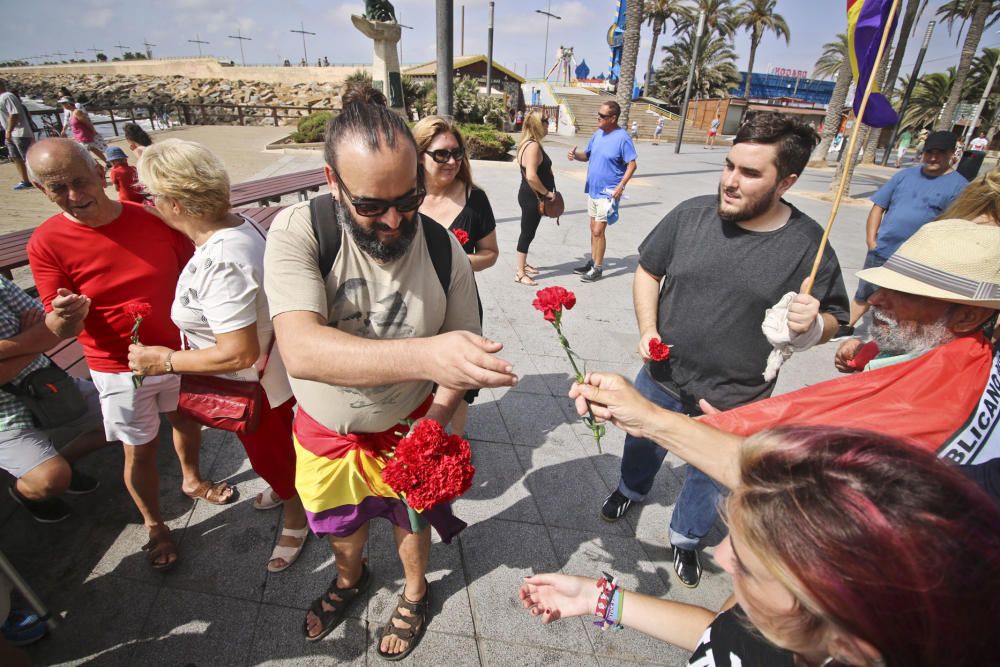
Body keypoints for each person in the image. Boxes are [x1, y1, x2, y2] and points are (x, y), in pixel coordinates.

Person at [262, 86, 517, 658]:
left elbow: (462, 359)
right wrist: (427, 355)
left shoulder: (443, 248)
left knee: (413, 522)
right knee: (339, 524)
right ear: (332, 182)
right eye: (371, 207)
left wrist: (437, 421)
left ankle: (416, 590)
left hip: (411, 425)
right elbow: (301, 350)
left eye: (409, 198)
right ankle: (351, 580)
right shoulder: (299, 231)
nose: (395, 220)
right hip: (326, 431)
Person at [570, 218, 1000, 498]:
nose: (877, 299)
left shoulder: (934, 409)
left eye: (903, 294)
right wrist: (868, 353)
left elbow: (796, 474)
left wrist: (814, 329)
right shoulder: (945, 355)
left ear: (966, 314)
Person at [600, 113, 850, 589]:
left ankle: (686, 538)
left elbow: (837, 318)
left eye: (751, 173)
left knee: (709, 476)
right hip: (662, 375)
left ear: (787, 182)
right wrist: (647, 327)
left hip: (738, 396)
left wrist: (815, 323)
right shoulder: (690, 214)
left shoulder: (808, 245)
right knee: (641, 442)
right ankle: (630, 489)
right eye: (730, 165)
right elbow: (648, 271)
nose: (731, 182)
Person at [521, 426, 1000, 667]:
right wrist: (597, 599)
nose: (723, 557)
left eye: (749, 565)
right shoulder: (798, 625)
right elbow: (726, 637)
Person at [25, 138, 234, 572]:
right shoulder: (46, 242)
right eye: (57, 188)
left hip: (177, 352)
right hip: (116, 367)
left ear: (100, 171)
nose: (75, 196)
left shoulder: (152, 219)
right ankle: (155, 523)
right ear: (40, 189)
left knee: (187, 420)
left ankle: (192, 480)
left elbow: (195, 272)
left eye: (80, 181)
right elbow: (58, 326)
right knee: (137, 449)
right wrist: (66, 318)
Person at [126, 138, 308, 573]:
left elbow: (237, 351)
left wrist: (163, 361)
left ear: (174, 203)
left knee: (271, 456)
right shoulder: (238, 225)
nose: (150, 205)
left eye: (152, 196)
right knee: (280, 450)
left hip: (254, 385)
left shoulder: (222, 260)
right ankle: (289, 491)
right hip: (272, 376)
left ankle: (297, 516)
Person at [412, 115, 499, 437]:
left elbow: (490, 253)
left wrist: (456, 262)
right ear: (419, 155)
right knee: (414, 375)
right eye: (441, 154)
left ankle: (454, 445)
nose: (452, 161)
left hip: (459, 305)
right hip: (412, 303)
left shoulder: (475, 199)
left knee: (459, 378)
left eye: (457, 153)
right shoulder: (405, 194)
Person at [0, 276, 109, 523]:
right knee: (51, 479)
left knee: (126, 419)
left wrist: (39, 336)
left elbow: (56, 327)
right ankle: (25, 493)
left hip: (48, 385)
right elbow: (46, 333)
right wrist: (32, 339)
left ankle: (65, 461)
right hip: (4, 416)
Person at [846, 130, 967, 331]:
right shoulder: (904, 176)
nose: (933, 157)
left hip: (916, 259)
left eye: (940, 153)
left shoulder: (960, 187)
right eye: (929, 152)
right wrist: (871, 241)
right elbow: (878, 207)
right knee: (865, 292)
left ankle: (888, 337)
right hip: (883, 250)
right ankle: (846, 326)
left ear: (952, 154)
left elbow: (953, 228)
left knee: (901, 302)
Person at [567, 100, 638, 282]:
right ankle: (592, 262)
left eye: (602, 116)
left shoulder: (623, 138)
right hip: (593, 189)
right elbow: (587, 155)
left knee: (598, 230)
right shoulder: (598, 134)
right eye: (598, 114)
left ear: (613, 118)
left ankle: (598, 268)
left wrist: (621, 186)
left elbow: (632, 164)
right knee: (593, 228)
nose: (598, 118)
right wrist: (576, 156)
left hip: (609, 191)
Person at [514, 111, 558, 287]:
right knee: (527, 232)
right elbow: (531, 176)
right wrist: (547, 193)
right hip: (532, 197)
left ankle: (523, 264)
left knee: (528, 231)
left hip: (529, 196)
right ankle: (519, 273)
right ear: (539, 125)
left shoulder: (528, 143)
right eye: (546, 121)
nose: (548, 125)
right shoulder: (532, 146)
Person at [0, 81, 35, 191]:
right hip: (10, 133)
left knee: (27, 157)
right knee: (16, 157)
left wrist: (9, 130)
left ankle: (41, 179)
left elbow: (14, 113)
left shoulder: (7, 96)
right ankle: (25, 181)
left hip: (19, 132)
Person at [58, 98, 108, 166]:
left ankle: (97, 167)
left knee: (84, 156)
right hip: (79, 137)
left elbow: (87, 122)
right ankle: (107, 163)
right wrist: (64, 130)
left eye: (63, 103)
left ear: (69, 103)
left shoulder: (77, 112)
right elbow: (68, 122)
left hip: (84, 136)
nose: (62, 105)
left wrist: (93, 132)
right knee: (92, 149)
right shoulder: (71, 112)